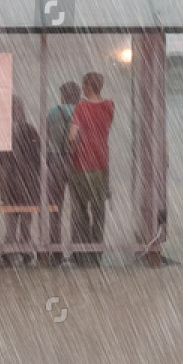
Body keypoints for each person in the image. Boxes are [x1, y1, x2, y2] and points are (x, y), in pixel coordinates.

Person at [68, 71, 114, 266]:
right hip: (102, 163)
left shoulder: (80, 108)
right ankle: (96, 252)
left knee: (79, 209)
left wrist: (71, 151)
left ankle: (81, 251)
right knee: (98, 208)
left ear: (87, 86)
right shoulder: (109, 105)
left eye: (84, 85)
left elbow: (72, 136)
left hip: (81, 165)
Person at [0, 96, 41, 266]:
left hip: (9, 180)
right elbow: (38, 157)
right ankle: (25, 248)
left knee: (11, 217)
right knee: (26, 217)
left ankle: (9, 249)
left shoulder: (3, 132)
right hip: (28, 181)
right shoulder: (30, 130)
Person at [40, 81, 81, 267]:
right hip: (75, 163)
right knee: (77, 207)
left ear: (63, 95)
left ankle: (55, 251)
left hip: (55, 161)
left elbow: (46, 139)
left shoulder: (52, 113)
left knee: (55, 208)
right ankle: (77, 250)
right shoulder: (81, 112)